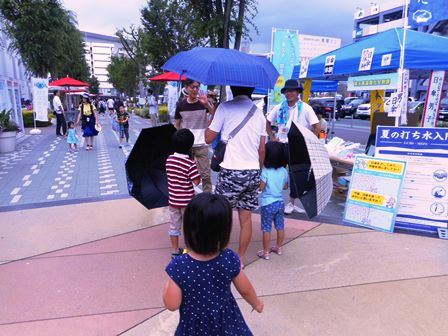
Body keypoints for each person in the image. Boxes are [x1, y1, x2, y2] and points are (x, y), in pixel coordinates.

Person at [163, 193, 263, 335]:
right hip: (226, 322)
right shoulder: (228, 258)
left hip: (195, 328)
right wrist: (256, 303)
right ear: (224, 231)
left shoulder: (180, 266)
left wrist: (169, 281)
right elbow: (246, 289)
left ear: (188, 228)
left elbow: (172, 304)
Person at [205, 86, 266, 266]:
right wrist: (258, 171)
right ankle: (239, 258)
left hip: (231, 171)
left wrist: (212, 113)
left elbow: (208, 138)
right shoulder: (259, 113)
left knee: (221, 217)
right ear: (252, 90)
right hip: (253, 171)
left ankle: (217, 255)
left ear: (232, 88)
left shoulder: (224, 107)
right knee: (246, 219)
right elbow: (262, 149)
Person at [266, 79, 322, 215]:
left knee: (295, 175)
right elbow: (267, 122)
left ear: (298, 93)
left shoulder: (306, 108)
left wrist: (308, 142)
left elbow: (317, 127)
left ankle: (291, 203)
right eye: (286, 91)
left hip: (297, 146)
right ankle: (272, 199)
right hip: (281, 144)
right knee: (274, 172)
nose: (289, 93)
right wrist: (273, 138)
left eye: (292, 91)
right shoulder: (279, 107)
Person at [175, 79, 215, 193]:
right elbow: (177, 124)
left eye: (197, 87)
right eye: (193, 87)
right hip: (186, 145)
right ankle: (185, 197)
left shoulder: (203, 103)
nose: (195, 89)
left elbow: (215, 114)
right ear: (186, 88)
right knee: (184, 174)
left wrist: (206, 103)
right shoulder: (181, 105)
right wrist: (178, 139)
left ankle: (207, 199)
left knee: (206, 175)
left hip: (202, 143)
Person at [166, 129, 201, 258]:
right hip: (187, 201)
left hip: (173, 200)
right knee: (189, 226)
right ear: (190, 145)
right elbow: (196, 181)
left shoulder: (169, 160)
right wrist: (195, 165)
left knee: (174, 226)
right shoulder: (189, 163)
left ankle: (175, 251)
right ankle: (189, 250)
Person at [257, 141, 289, 260]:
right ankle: (279, 248)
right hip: (280, 203)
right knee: (280, 226)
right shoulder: (284, 171)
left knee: (266, 228)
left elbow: (261, 187)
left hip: (267, 203)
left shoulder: (265, 171)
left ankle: (266, 252)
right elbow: (285, 187)